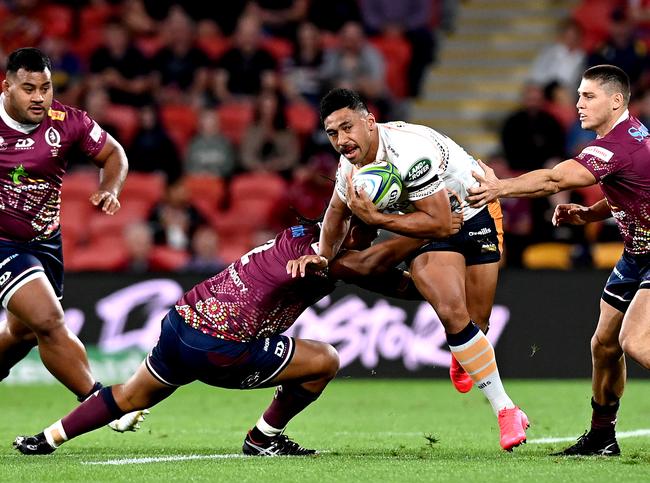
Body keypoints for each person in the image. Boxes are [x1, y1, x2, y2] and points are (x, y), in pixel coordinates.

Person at [13, 217, 428, 456]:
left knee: (130, 396)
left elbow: (378, 267)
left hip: (180, 321)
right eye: (366, 230)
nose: (371, 238)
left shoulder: (302, 234)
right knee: (326, 360)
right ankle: (263, 439)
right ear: (345, 228)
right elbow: (388, 276)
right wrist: (432, 231)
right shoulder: (329, 259)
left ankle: (45, 439)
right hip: (221, 347)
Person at [290, 88, 529, 451]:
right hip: (431, 228)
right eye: (332, 133)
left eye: (347, 127)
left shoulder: (409, 152)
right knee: (453, 312)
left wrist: (376, 218)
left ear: (369, 122)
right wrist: (322, 255)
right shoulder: (349, 165)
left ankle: (464, 349)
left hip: (477, 210)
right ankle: (506, 410)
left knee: (477, 325)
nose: (341, 140)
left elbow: (439, 220)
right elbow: (336, 214)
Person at [466, 64, 649, 456]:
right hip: (637, 254)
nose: (578, 103)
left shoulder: (615, 146)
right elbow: (633, 191)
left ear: (616, 100)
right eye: (579, 95)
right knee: (604, 345)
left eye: (588, 96)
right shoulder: (630, 137)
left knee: (635, 341)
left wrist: (501, 187)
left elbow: (554, 181)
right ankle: (602, 436)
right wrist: (589, 214)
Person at [0, 47, 144, 431]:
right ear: (7, 87)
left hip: (46, 241)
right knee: (48, 319)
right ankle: (102, 402)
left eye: (45, 88)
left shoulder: (68, 121)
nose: (39, 97)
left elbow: (114, 154)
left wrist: (110, 187)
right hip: (2, 242)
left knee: (24, 332)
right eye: (28, 88)